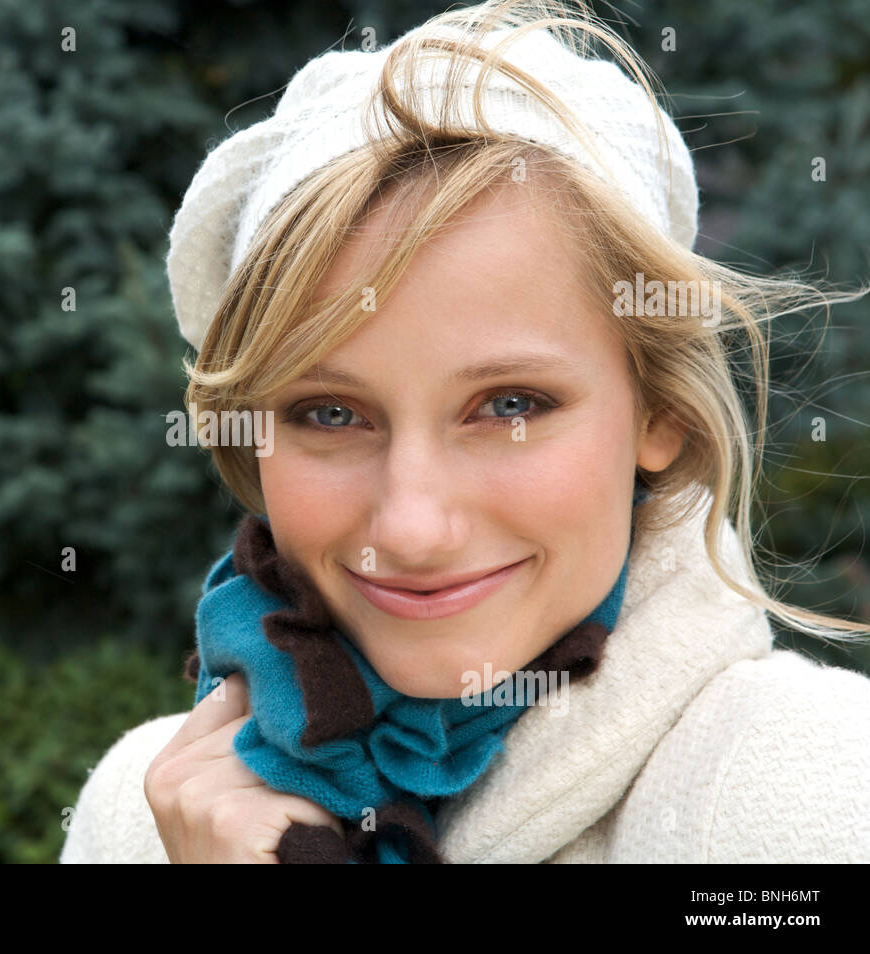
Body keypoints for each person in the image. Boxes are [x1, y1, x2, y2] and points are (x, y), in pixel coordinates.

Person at [60, 0, 870, 863]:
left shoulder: (797, 786)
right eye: (330, 414)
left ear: (660, 412)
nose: (412, 528)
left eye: (512, 405)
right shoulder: (141, 812)